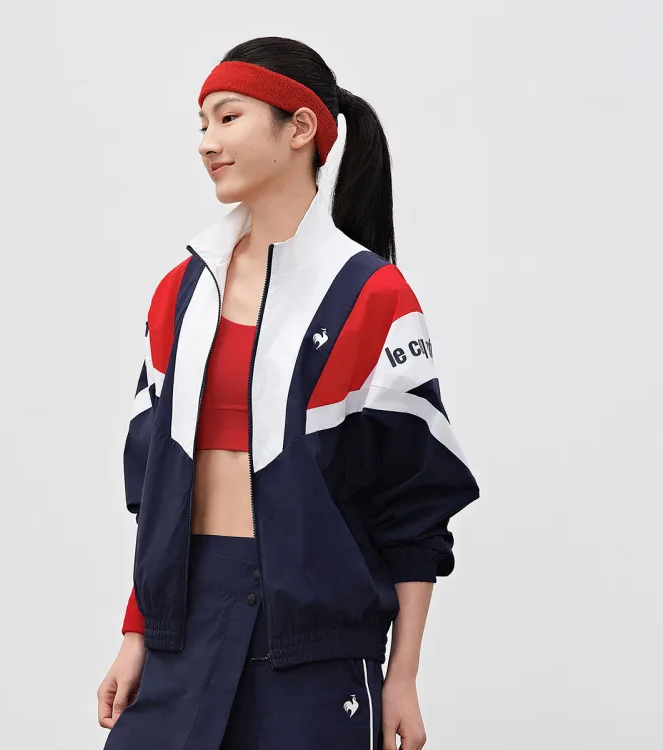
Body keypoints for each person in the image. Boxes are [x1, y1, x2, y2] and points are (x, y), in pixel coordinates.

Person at [97, 36, 480, 750]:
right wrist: (137, 632)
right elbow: (155, 492)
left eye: (228, 117)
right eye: (202, 124)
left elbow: (414, 511)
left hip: (314, 648)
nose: (208, 142)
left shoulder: (372, 297)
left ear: (300, 127)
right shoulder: (179, 295)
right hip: (183, 630)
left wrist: (402, 675)